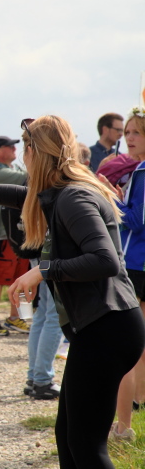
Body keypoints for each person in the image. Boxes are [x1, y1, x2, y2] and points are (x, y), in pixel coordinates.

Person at [0, 115, 145, 469]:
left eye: (26, 147)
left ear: (37, 152)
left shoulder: (74, 197)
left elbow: (105, 260)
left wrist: (42, 271)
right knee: (69, 440)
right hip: (100, 328)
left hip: (108, 329)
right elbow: (24, 196)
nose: (23, 156)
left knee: (86, 447)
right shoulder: (62, 192)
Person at [104, 109, 145, 440]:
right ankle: (138, 403)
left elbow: (136, 221)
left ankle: (123, 426)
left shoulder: (143, 172)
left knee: (125, 347)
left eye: (136, 132)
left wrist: (112, 199)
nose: (128, 138)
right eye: (127, 132)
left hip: (135, 263)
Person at [0, 136, 31, 336]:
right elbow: (30, 177)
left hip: (15, 232)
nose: (14, 149)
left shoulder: (8, 170)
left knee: (21, 277)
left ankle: (16, 318)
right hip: (2, 234)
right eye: (10, 146)